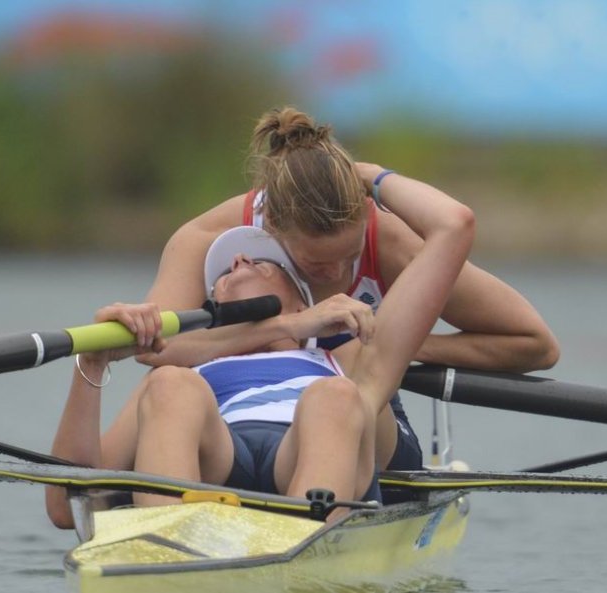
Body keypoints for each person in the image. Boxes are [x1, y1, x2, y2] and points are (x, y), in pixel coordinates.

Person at [93, 106, 559, 475]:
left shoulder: (388, 242)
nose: (337, 272)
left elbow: (532, 345)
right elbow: (160, 351)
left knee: (335, 401)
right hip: (233, 424)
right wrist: (291, 327)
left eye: (350, 255)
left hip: (349, 412)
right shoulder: (206, 241)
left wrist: (381, 343)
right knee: (167, 391)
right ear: (272, 226)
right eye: (316, 264)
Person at [47, 184, 474, 527]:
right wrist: (92, 362)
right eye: (224, 274)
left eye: (265, 263)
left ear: (302, 301)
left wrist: (372, 177)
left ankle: (302, 542)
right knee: (169, 384)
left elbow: (452, 226)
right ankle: (167, 544)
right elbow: (67, 508)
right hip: (219, 455)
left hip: (306, 454)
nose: (238, 259)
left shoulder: (349, 351)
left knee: (336, 397)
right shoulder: (183, 370)